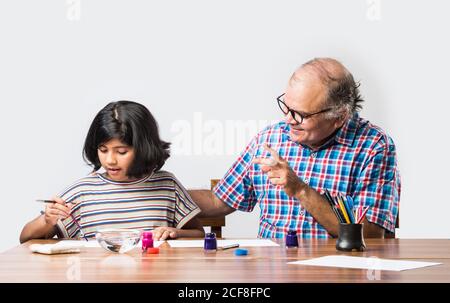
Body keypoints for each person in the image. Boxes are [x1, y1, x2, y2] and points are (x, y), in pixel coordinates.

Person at [190, 58, 400, 239]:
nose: (288, 119)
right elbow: (218, 201)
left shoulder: (373, 146)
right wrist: (164, 191)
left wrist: (300, 190)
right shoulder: (271, 138)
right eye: (287, 107)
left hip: (338, 273)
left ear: (339, 117)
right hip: (272, 272)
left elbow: (370, 234)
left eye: (301, 114)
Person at [20, 101, 204, 243]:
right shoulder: (82, 191)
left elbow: (198, 234)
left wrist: (175, 233)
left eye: (121, 151)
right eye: (103, 149)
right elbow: (25, 239)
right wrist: (46, 220)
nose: (110, 160)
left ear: (143, 148)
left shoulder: (167, 185)